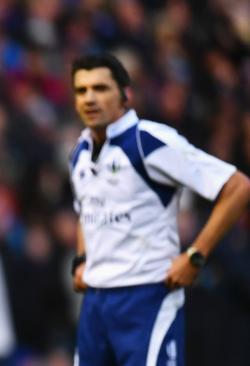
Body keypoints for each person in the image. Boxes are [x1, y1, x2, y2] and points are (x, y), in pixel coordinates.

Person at [67, 53, 250, 365]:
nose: (90, 98)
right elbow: (87, 210)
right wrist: (82, 259)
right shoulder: (80, 153)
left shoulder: (148, 141)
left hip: (147, 297)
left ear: (126, 95)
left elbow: (237, 187)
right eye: (81, 90)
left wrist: (196, 255)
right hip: (96, 303)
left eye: (100, 88)